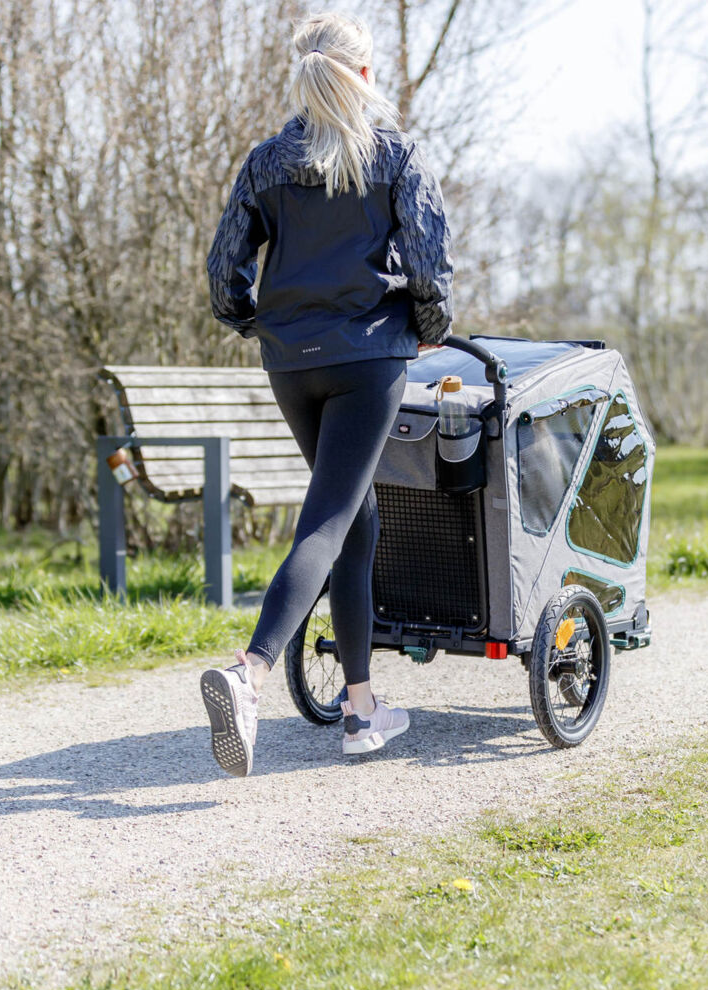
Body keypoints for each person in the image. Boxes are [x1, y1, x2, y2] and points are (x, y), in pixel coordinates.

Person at [199, 12, 452, 776]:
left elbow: (224, 272)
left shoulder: (265, 162)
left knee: (354, 517)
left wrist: (255, 322)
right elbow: (430, 265)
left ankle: (362, 708)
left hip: (291, 363)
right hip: (367, 358)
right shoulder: (395, 155)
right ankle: (252, 671)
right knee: (330, 519)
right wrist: (429, 324)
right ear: (365, 76)